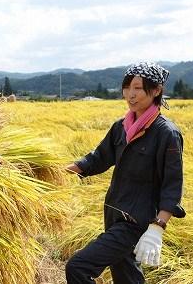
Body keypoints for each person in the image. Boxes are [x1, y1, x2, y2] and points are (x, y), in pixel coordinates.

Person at [65, 62, 185, 284]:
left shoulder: (166, 133)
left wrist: (158, 227)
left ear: (156, 90)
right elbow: (98, 158)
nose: (131, 94)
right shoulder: (121, 127)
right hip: (113, 213)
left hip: (135, 221)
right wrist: (61, 171)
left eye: (138, 88)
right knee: (126, 277)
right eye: (127, 87)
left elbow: (173, 184)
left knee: (78, 267)